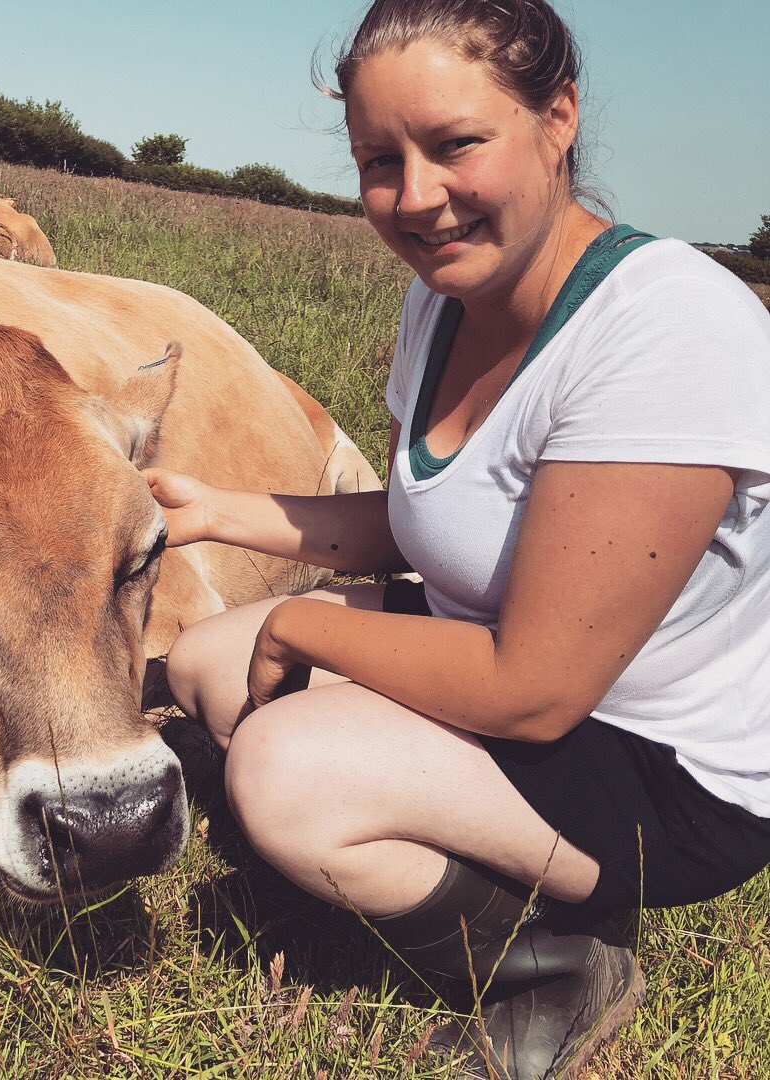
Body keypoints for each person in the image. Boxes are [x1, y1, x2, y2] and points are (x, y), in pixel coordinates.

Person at [144, 1, 770, 1075]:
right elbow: (429, 522)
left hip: (662, 763)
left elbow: (533, 690)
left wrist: (304, 624)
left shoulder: (667, 328)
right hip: (505, 660)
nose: (415, 196)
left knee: (283, 774)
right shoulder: (441, 305)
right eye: (379, 159)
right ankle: (439, 869)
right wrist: (214, 511)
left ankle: (555, 961)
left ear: (558, 118)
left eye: (455, 145)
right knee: (208, 665)